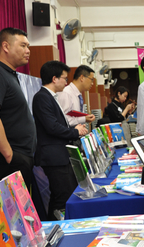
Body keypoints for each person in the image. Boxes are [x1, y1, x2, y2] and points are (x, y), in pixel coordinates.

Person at [32, 61, 88, 220]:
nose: (66, 81)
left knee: (65, 194)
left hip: (60, 155)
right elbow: (52, 127)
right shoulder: (41, 97)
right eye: (64, 78)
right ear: (54, 78)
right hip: (53, 157)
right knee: (61, 197)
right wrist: (75, 132)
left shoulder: (51, 97)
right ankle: (54, 232)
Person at [0, 28, 36, 188]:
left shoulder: (8, 74)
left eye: (28, 46)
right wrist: (9, 154)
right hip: (7, 161)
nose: (28, 51)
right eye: (23, 45)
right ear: (5, 46)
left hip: (19, 158)